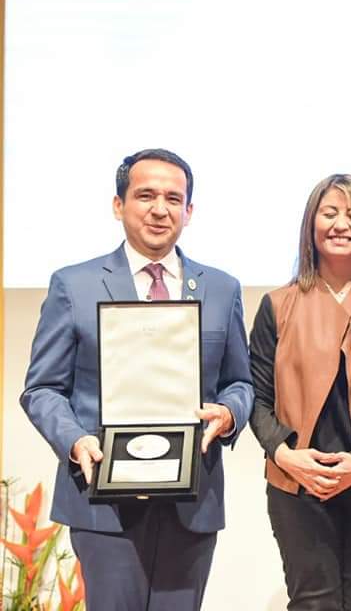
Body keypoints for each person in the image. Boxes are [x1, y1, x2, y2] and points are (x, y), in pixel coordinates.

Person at [20, 148, 254, 610]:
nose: (159, 209)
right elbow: (42, 389)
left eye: (173, 199)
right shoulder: (74, 284)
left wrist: (230, 413)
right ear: (118, 205)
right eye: (145, 196)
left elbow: (240, 383)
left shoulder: (221, 288)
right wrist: (74, 440)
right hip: (102, 501)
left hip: (192, 499)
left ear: (189, 211)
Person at [248, 174, 351, 611]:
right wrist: (285, 455)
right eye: (329, 213)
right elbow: (257, 398)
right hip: (297, 483)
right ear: (311, 225)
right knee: (312, 604)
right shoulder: (277, 305)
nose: (341, 224)